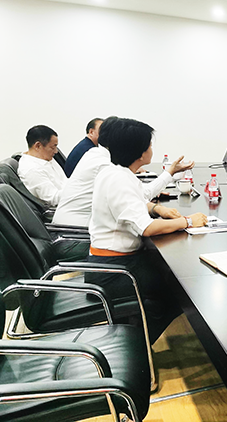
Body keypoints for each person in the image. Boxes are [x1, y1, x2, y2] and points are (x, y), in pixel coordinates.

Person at [88, 117, 208, 342]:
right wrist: (188, 221)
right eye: (150, 145)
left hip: (112, 262)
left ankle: (136, 332)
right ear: (140, 152)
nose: (152, 148)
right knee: (181, 288)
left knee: (171, 274)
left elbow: (141, 195)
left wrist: (163, 189)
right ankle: (136, 343)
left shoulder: (115, 172)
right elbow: (147, 228)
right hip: (113, 271)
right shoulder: (118, 179)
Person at [53, 117, 194, 227]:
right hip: (76, 231)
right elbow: (140, 196)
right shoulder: (104, 164)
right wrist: (187, 221)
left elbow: (132, 194)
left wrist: (155, 207)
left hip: (76, 225)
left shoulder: (96, 154)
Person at [18, 125, 67, 206]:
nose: (56, 151)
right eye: (53, 147)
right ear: (38, 146)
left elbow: (64, 182)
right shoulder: (32, 169)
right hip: (62, 206)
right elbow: (53, 199)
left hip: (71, 196)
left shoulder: (46, 158)